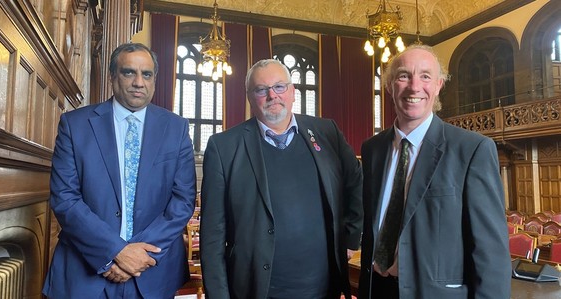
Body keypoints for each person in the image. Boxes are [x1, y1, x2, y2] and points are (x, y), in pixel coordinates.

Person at [42, 43, 196, 298]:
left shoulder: (176, 128)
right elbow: (65, 199)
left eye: (146, 74)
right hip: (84, 272)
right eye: (128, 72)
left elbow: (182, 201)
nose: (138, 82)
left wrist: (138, 255)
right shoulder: (75, 125)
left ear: (155, 80)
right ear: (112, 77)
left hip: (152, 274)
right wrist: (116, 251)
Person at [200, 59, 363, 299]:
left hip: (323, 286)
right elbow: (212, 236)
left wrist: (350, 237)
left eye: (279, 87)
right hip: (258, 289)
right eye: (261, 89)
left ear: (293, 92)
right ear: (249, 97)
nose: (272, 96)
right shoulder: (224, 147)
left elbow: (355, 181)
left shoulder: (326, 132)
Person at [358, 44, 511, 299]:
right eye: (404, 75)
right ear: (389, 86)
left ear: (439, 85)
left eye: (425, 76)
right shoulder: (372, 149)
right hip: (378, 289)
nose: (414, 87)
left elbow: (491, 254)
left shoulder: (472, 149)